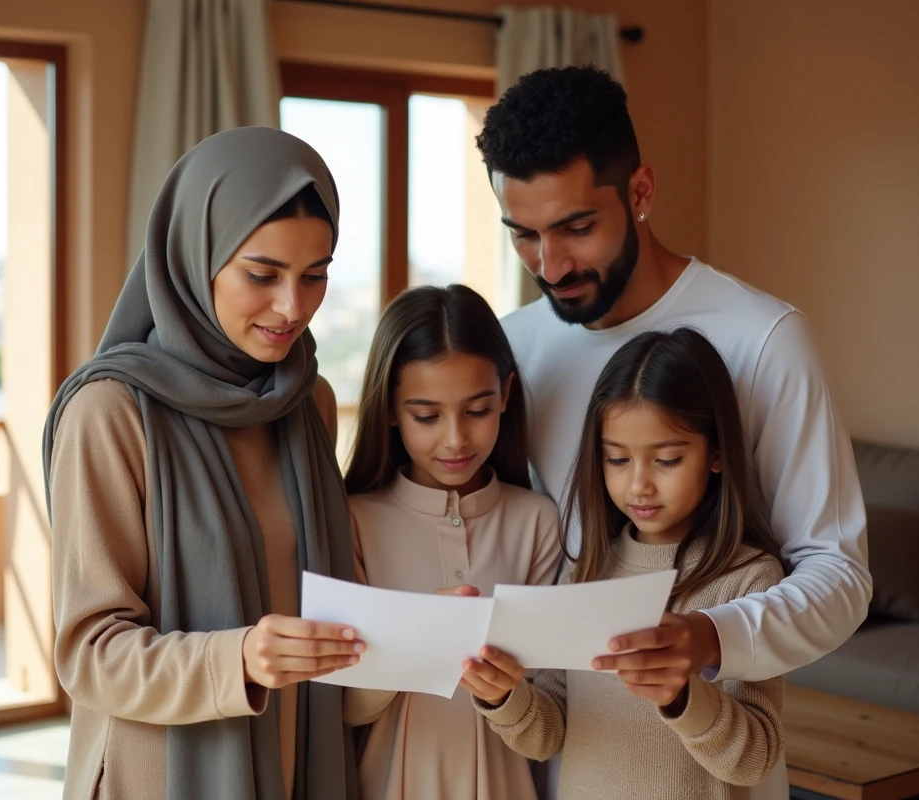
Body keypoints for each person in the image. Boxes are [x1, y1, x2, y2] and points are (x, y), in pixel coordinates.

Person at [475, 66, 871, 795]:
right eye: (523, 235)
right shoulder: (516, 349)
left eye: (576, 227)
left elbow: (839, 576)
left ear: (641, 192)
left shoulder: (764, 338)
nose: (550, 264)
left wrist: (709, 638)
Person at [43, 128, 362, 800]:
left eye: (316, 275)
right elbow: (89, 653)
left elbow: (332, 594)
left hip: (297, 761)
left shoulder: (308, 404)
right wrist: (237, 658)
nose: (293, 307)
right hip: (156, 773)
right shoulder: (111, 413)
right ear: (195, 256)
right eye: (262, 273)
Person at [463, 328, 786, 799]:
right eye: (617, 459)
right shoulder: (585, 573)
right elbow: (548, 735)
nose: (639, 486)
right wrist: (502, 695)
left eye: (668, 460)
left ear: (716, 452)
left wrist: (682, 696)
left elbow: (755, 759)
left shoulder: (749, 579)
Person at [341, 284, 563, 799]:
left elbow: (553, 717)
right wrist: (419, 635)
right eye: (426, 416)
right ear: (391, 409)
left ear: (505, 394)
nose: (456, 439)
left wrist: (508, 696)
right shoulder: (353, 520)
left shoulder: (537, 522)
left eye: (477, 410)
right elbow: (341, 706)